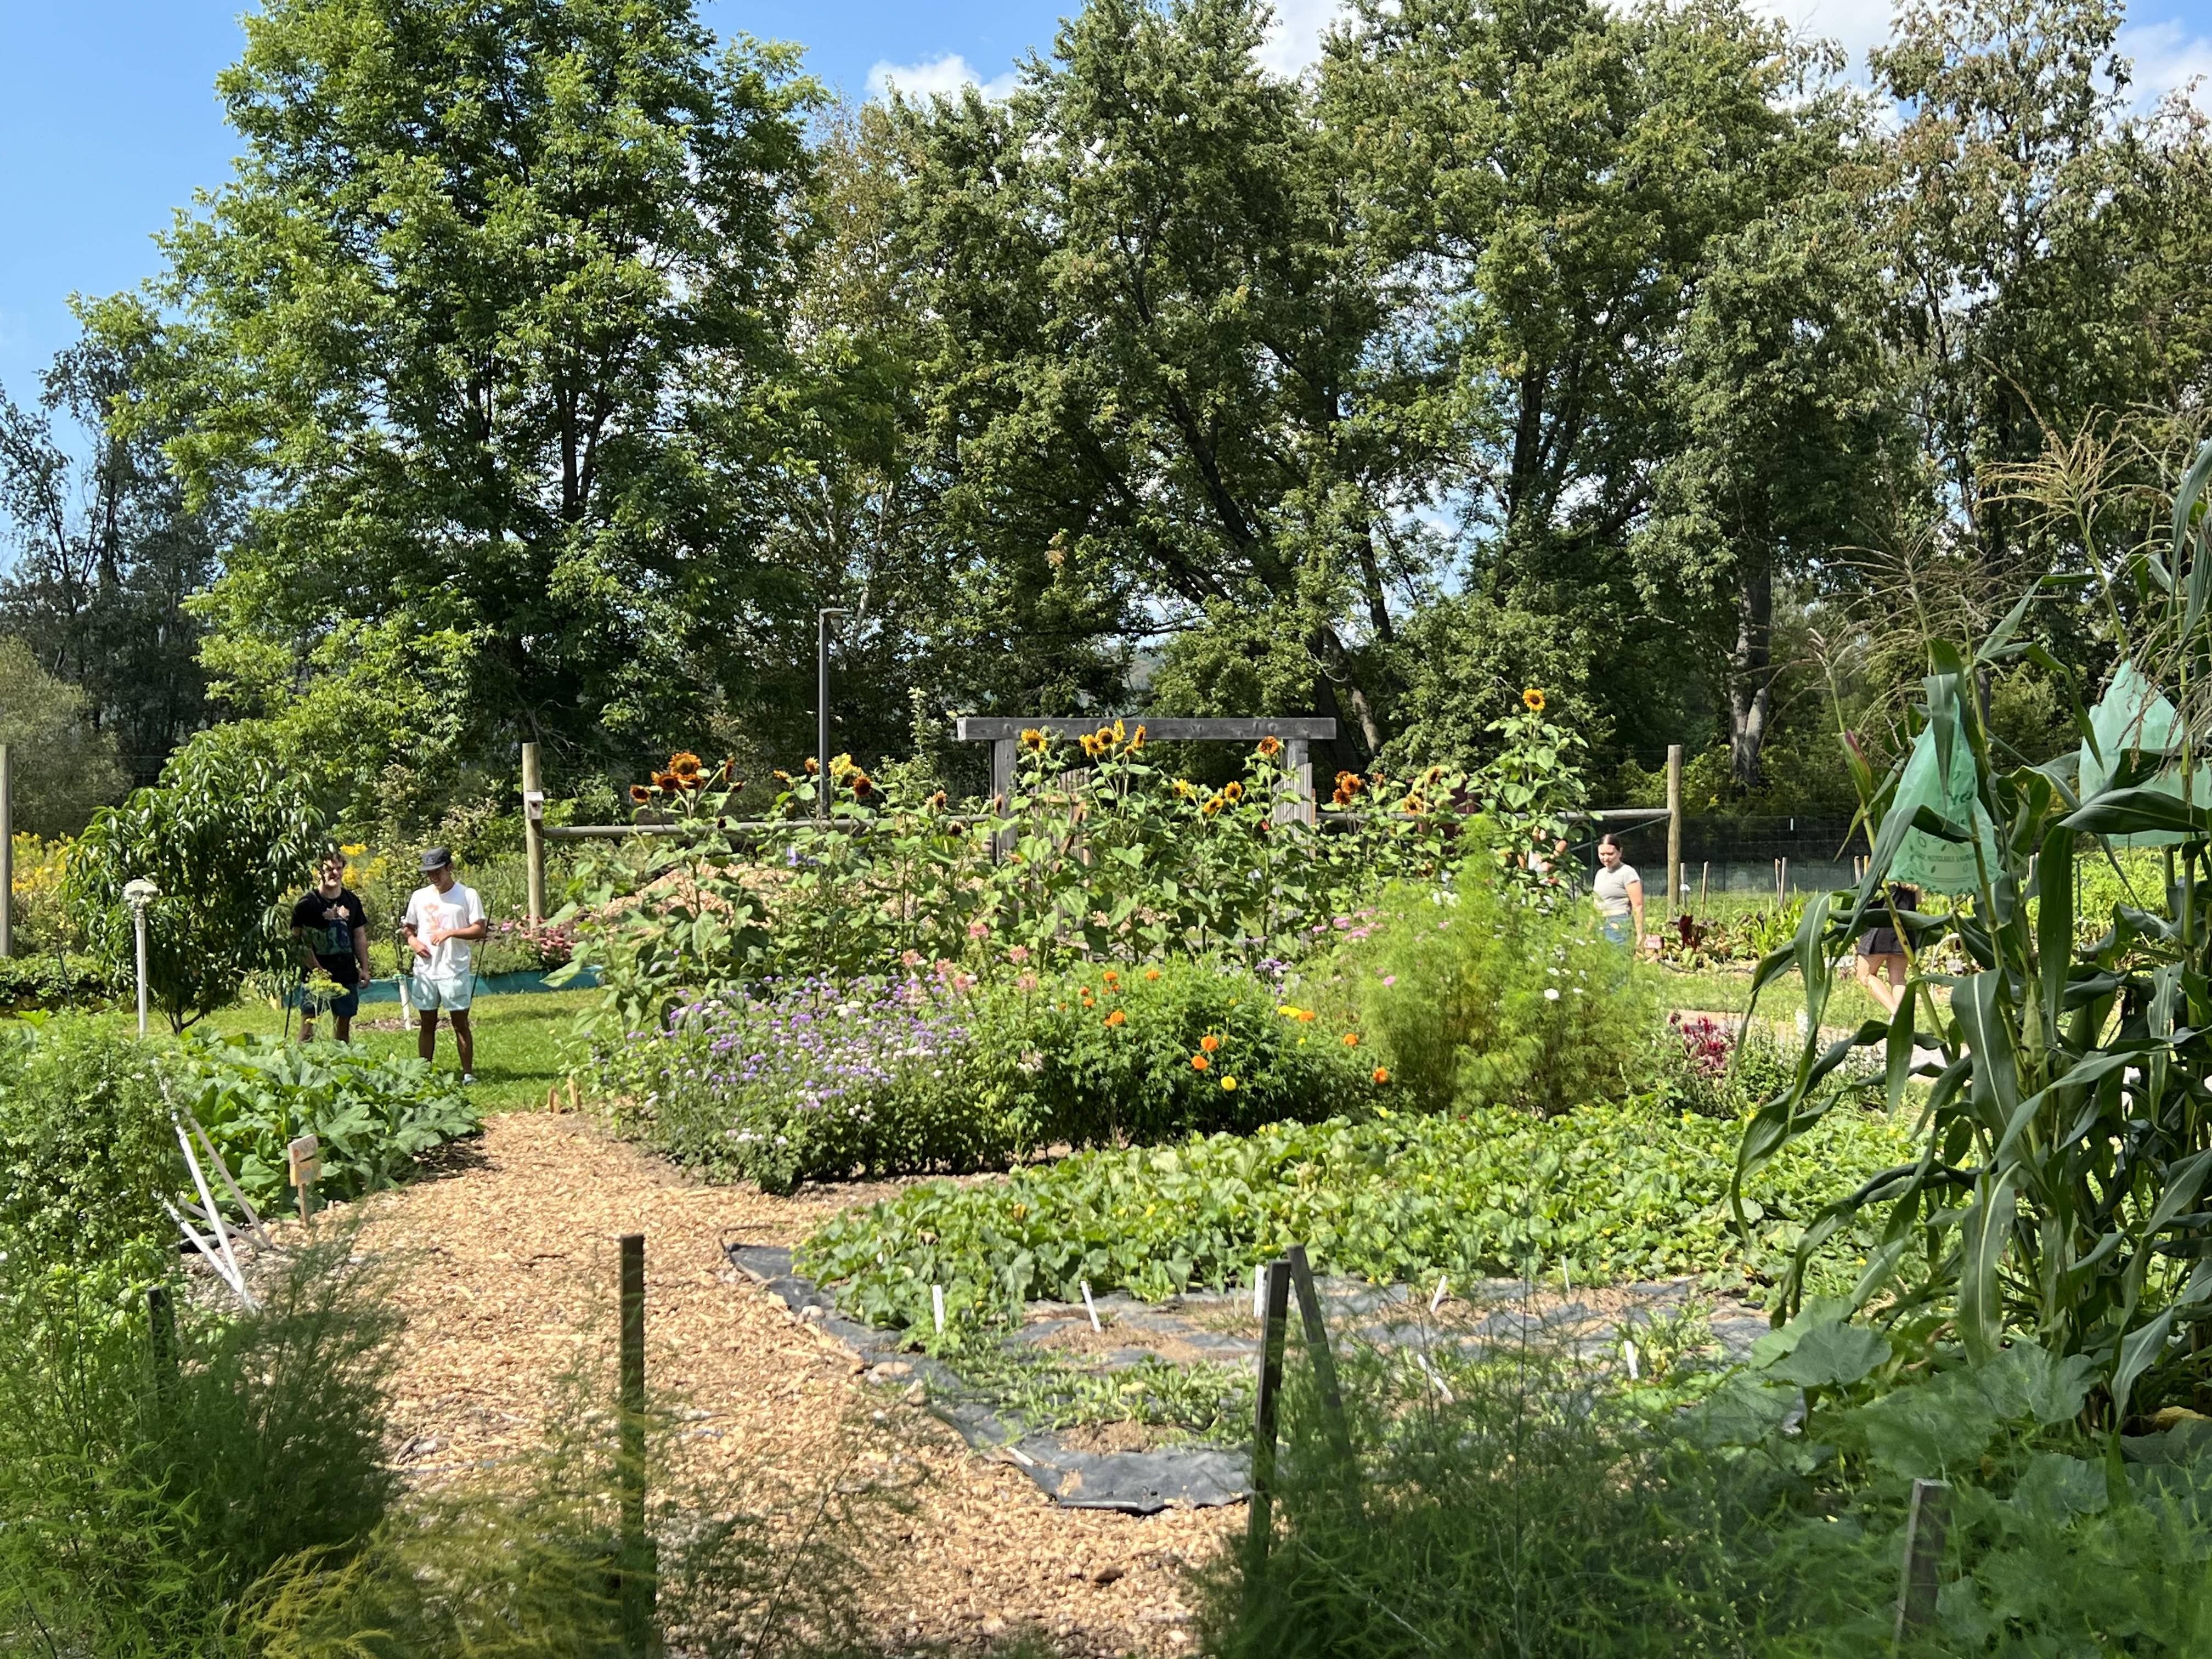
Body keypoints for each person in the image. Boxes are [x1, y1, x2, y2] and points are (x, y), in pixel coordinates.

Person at [403, 846, 487, 1083]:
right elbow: (408, 928)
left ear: (450, 868)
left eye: (437, 871)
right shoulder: (419, 896)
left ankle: (468, 1073)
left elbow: (479, 929)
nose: (433, 877)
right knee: (427, 1023)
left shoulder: (467, 895)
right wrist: (413, 942)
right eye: (429, 873)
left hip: (454, 968)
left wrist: (451, 932)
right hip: (426, 970)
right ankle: (422, 1074)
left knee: (460, 1023)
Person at [289, 850, 370, 1041]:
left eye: (338, 869)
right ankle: (300, 1067)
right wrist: (318, 971)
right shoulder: (307, 904)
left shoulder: (352, 901)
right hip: (315, 977)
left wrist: (365, 968)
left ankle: (340, 1067)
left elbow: (359, 936)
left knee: (342, 1033)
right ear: (318, 872)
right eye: (328, 869)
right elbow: (299, 942)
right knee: (308, 1032)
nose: (334, 873)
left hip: (346, 974)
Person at [1856, 883, 1918, 1018]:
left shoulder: (1886, 879)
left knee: (1865, 975)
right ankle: (1900, 1021)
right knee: (1898, 979)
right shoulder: (1914, 881)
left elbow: (1868, 899)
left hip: (1880, 929)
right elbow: (1918, 901)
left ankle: (1895, 1011)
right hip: (1904, 932)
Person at [1593, 832, 1644, 950]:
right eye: (1602, 854)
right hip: (1600, 923)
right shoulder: (1600, 874)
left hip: (1619, 922)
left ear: (1620, 852)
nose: (1606, 858)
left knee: (1618, 962)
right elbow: (1595, 904)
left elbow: (1638, 906)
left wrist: (1640, 935)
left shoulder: (1627, 872)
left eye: (1610, 854)